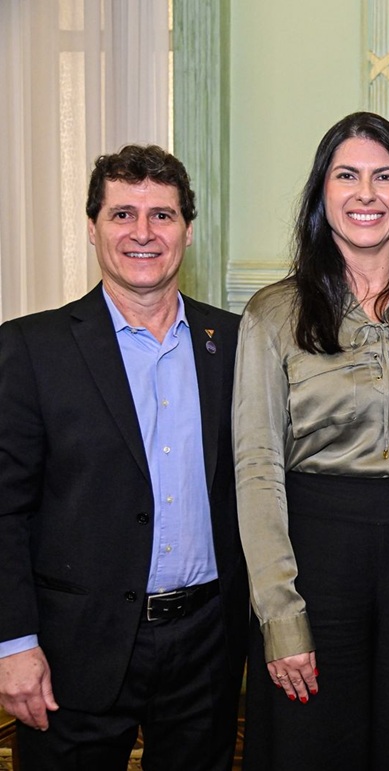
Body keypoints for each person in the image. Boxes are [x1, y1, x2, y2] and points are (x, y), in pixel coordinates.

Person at [234, 111, 389, 770]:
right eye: (346, 176)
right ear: (322, 194)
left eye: (384, 177)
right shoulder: (273, 313)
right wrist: (279, 612)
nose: (365, 193)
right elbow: (256, 467)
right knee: (313, 748)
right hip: (317, 556)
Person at [0, 144, 248, 770]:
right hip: (72, 650)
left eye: (162, 215)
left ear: (188, 231)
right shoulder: (31, 349)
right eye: (122, 214)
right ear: (93, 228)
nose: (143, 233)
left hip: (207, 646)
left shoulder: (236, 343)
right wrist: (12, 643)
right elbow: (4, 511)